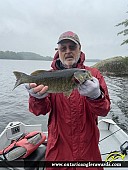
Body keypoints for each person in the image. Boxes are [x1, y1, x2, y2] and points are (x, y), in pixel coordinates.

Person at [26, 31, 110, 170]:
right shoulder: (48, 76)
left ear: (80, 49)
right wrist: (36, 98)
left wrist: (97, 97)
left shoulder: (93, 75)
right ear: (58, 51)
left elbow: (104, 110)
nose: (68, 51)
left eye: (72, 47)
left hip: (89, 152)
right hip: (58, 151)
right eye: (63, 48)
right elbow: (39, 111)